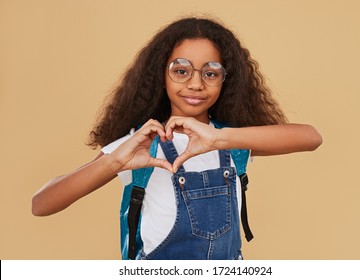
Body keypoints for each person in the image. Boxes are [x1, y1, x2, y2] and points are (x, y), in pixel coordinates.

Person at [32, 17, 322, 260]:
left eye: (211, 73)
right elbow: (41, 204)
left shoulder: (232, 144)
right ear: (161, 75)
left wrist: (220, 138)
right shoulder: (141, 143)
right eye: (181, 71)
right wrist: (115, 161)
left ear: (226, 80)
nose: (195, 83)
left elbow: (310, 137)